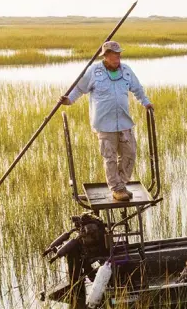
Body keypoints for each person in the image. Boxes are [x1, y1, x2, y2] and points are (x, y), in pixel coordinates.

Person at [59, 41, 152, 202]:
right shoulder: (94, 71)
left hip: (124, 122)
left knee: (130, 153)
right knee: (109, 157)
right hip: (104, 124)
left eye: (119, 54)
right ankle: (116, 188)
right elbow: (79, 88)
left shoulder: (126, 70)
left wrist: (146, 102)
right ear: (106, 56)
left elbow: (137, 89)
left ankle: (121, 184)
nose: (118, 57)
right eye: (114, 55)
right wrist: (69, 100)